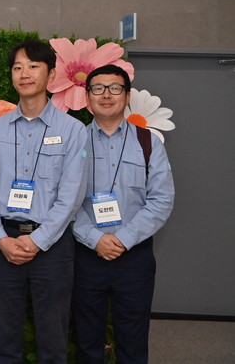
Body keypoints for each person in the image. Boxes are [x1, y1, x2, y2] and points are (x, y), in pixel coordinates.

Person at [0, 39, 88, 364]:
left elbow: (71, 196)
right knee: (4, 336)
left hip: (53, 246)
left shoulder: (73, 130)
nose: (24, 73)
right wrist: (0, 238)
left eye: (33, 66)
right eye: (17, 67)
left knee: (53, 338)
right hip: (4, 245)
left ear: (51, 75)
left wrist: (38, 240)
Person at [73, 64, 175, 364]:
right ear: (87, 97)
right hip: (85, 255)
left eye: (115, 88)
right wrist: (95, 238)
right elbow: (63, 200)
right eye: (98, 88)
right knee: (86, 339)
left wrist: (123, 239)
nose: (106, 95)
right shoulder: (74, 141)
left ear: (127, 96)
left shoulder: (148, 142)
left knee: (133, 339)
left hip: (134, 257)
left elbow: (161, 199)